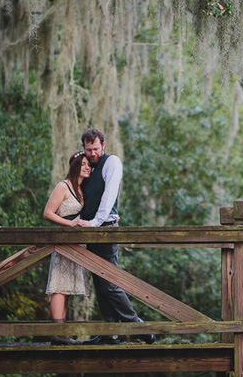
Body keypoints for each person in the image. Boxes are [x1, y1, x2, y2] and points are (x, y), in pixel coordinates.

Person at [78, 128, 155, 345]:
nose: (92, 153)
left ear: (103, 144)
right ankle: (111, 330)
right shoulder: (85, 166)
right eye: (88, 149)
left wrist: (94, 223)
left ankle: (138, 326)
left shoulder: (112, 163)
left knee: (110, 282)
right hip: (90, 230)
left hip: (105, 228)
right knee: (99, 283)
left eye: (95, 149)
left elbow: (109, 195)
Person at [43, 151, 92, 345]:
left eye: (89, 165)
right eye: (84, 164)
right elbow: (47, 213)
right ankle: (57, 332)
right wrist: (69, 224)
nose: (88, 167)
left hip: (77, 246)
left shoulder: (82, 189)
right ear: (75, 166)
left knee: (68, 287)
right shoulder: (63, 187)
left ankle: (63, 332)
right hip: (64, 243)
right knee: (59, 286)